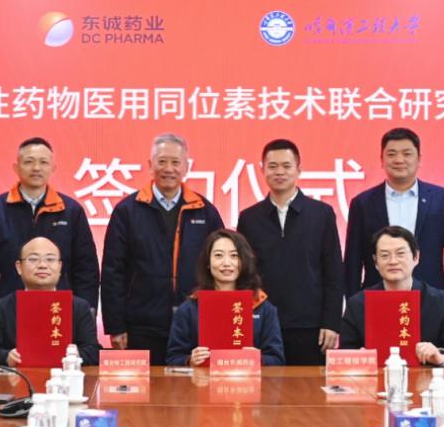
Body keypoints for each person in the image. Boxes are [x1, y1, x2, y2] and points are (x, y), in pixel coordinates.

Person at [101, 133, 224, 364]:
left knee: (193, 384)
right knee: (145, 386)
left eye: (176, 162)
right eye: (162, 161)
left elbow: (221, 266)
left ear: (186, 167)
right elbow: (112, 271)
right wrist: (115, 326)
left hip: (195, 322)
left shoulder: (205, 211)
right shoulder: (127, 211)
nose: (169, 169)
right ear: (150, 165)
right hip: (141, 324)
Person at [0, 137, 98, 335]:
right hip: (5, 316)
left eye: (43, 162)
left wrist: (85, 318)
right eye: (29, 161)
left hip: (60, 314)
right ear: (16, 167)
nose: (36, 168)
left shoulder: (71, 211)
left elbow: (86, 269)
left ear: (53, 168)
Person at [237, 139, 343, 365]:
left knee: (309, 386)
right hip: (262, 323)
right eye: (272, 166)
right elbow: (243, 276)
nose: (279, 172)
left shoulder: (321, 214)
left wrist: (331, 322)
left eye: (286, 166)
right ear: (262, 170)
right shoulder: (249, 218)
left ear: (298, 170)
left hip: (311, 326)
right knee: (263, 386)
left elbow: (334, 273)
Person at [343, 127, 444, 315]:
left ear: (419, 159)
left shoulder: (443, 199)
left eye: (407, 153)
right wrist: (355, 307)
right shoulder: (362, 203)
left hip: (431, 301)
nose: (399, 160)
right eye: (391, 154)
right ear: (382, 160)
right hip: (377, 302)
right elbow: (353, 261)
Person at [340, 226, 444, 366]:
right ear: (375, 262)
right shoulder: (358, 304)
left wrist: (441, 356)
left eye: (400, 254)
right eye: (384, 255)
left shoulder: (439, 301)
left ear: (416, 257)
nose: (393, 261)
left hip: (427, 378)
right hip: (376, 378)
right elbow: (342, 355)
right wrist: (358, 357)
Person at [166, 230, 285, 366]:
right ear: (208, 262)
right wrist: (190, 360)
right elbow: (172, 359)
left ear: (244, 261)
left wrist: (259, 359)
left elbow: (277, 360)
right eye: (218, 255)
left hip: (248, 379)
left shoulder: (263, 307)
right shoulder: (188, 309)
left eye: (234, 255)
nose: (226, 263)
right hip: (204, 379)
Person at [0, 237, 101, 366]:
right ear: (19, 267)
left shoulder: (79, 307)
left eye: (50, 259)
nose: (42, 265)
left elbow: (94, 351)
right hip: (17, 377)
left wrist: (76, 355)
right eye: (33, 259)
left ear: (60, 266)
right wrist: (6, 357)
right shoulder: (1, 307)